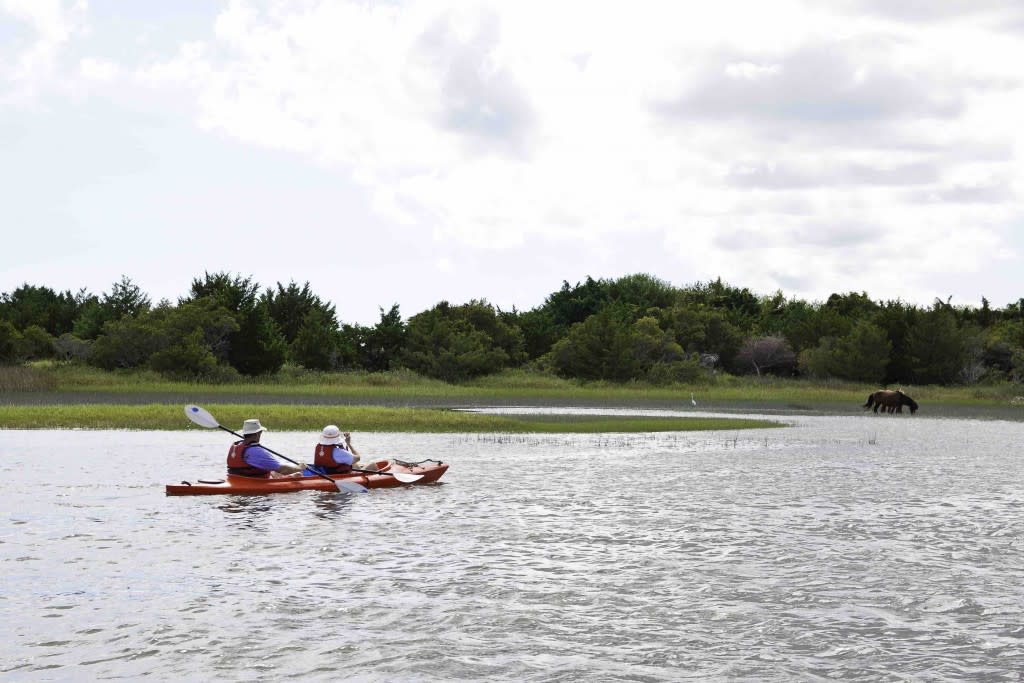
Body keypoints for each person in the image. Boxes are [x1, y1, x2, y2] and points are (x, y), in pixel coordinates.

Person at [226, 418, 306, 478]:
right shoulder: (256, 451)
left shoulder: (237, 445)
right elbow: (283, 470)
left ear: (244, 434)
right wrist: (298, 468)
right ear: (258, 433)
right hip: (254, 481)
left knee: (274, 471)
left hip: (235, 478)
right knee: (298, 475)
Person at [307, 424, 379, 476]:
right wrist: (349, 444)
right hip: (338, 475)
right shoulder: (338, 452)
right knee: (373, 465)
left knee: (354, 464)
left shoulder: (319, 447)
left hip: (327, 472)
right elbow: (358, 457)